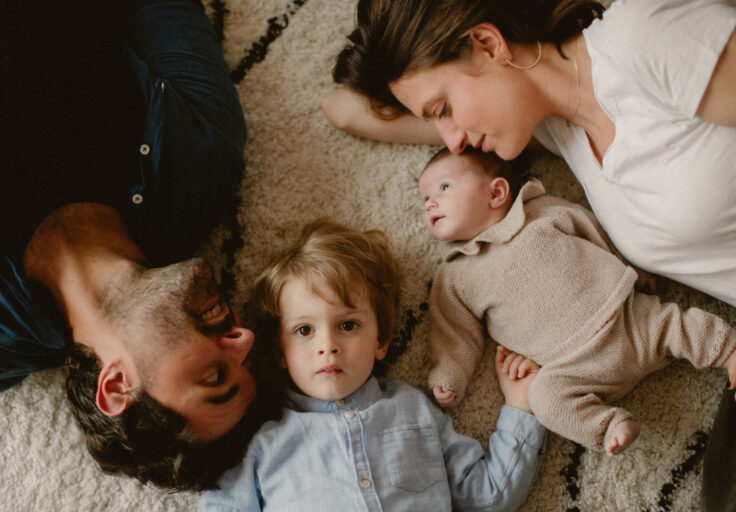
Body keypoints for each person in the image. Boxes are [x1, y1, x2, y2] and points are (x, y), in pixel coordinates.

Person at [324, 0, 735, 506]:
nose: (450, 140)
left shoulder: (640, 34)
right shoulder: (560, 133)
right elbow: (341, 110)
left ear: (489, 44)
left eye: (443, 109)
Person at [0, 0, 278, 490]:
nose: (244, 340)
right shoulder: (202, 158)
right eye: (246, 360)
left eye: (216, 379)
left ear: (117, 387)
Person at [198, 220, 547, 511]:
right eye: (304, 330)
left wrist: (521, 408)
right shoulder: (262, 440)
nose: (328, 346)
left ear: (381, 340)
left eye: (347, 325)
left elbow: (486, 496)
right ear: (280, 353)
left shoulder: (413, 409)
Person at [418, 147, 736, 456]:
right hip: (575, 370)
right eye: (425, 199)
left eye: (444, 188)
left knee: (678, 325)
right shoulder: (455, 275)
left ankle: (729, 351)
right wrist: (448, 375)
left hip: (626, 319)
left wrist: (636, 269)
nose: (431, 203)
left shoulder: (540, 212)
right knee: (543, 398)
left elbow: (596, 231)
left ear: (496, 193)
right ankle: (608, 426)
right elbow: (453, 331)